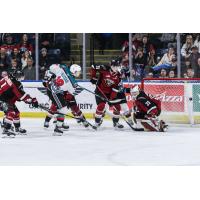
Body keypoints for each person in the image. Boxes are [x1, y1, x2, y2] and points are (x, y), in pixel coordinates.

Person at [42, 64, 90, 135]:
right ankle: (57, 128)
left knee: (61, 108)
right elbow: (70, 97)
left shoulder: (63, 68)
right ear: (74, 71)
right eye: (78, 72)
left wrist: (48, 77)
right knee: (62, 109)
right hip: (54, 92)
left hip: (52, 88)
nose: (79, 73)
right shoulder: (73, 84)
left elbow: (51, 67)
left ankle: (57, 125)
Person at [0, 70, 38, 137]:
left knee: (16, 113)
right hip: (2, 100)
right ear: (17, 76)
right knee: (11, 112)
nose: (21, 78)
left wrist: (28, 100)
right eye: (20, 77)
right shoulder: (15, 83)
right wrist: (32, 100)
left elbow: (14, 94)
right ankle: (6, 130)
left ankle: (17, 128)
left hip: (5, 99)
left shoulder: (8, 78)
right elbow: (21, 95)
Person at [90, 60, 124, 129]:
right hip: (100, 91)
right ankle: (97, 122)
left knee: (117, 107)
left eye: (117, 66)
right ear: (111, 66)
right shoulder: (104, 68)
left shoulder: (119, 75)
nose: (116, 68)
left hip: (111, 92)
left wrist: (111, 99)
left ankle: (115, 122)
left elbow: (116, 88)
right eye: (114, 66)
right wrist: (93, 77)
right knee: (101, 106)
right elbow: (93, 67)